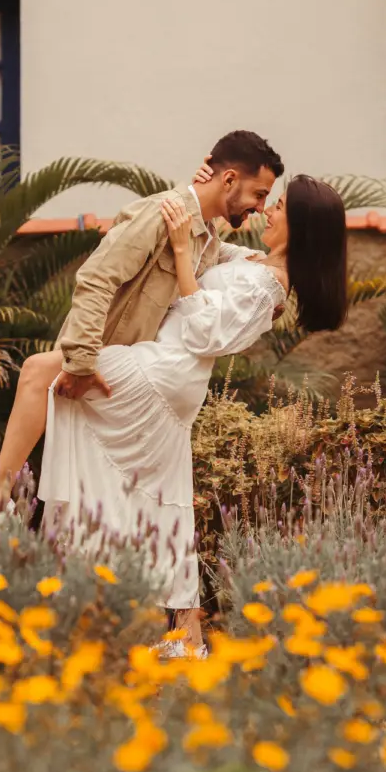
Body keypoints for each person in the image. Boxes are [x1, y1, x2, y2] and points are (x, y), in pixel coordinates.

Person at [33, 173, 348, 654]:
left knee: (46, 376)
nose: (267, 210)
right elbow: (211, 248)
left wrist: (182, 253)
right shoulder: (254, 261)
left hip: (163, 371)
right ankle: (183, 639)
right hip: (167, 376)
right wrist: (205, 195)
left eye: (278, 205)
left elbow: (206, 333)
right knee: (160, 499)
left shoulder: (271, 285)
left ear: (300, 224)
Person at [0, 130, 285, 504]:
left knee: (113, 500)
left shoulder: (207, 237)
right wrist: (80, 362)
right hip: (111, 367)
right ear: (229, 179)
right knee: (38, 377)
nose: (261, 207)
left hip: (140, 380)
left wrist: (282, 285)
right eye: (259, 195)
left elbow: (259, 274)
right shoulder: (159, 214)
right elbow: (96, 279)